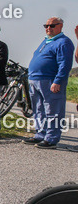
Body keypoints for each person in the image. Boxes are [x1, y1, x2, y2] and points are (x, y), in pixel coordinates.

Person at [24, 17, 74, 149]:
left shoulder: (64, 42)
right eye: (46, 25)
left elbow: (65, 64)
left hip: (50, 81)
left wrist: (58, 81)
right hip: (36, 80)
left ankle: (51, 138)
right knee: (39, 110)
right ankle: (41, 134)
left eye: (52, 26)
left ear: (60, 26)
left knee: (53, 111)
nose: (48, 28)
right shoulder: (46, 41)